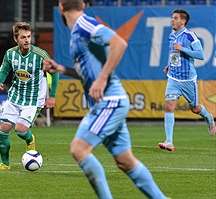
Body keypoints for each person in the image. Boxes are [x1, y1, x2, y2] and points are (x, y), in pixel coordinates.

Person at [43, 1, 169, 198]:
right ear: (83, 4)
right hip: (110, 102)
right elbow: (87, 72)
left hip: (109, 102)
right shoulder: (77, 31)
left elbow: (119, 43)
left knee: (79, 149)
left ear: (61, 7)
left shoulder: (84, 24)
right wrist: (61, 69)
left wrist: (102, 79)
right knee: (125, 161)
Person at [0, 22, 59, 171]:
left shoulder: (40, 55)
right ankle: (5, 164)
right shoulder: (10, 54)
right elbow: (4, 69)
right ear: (16, 39)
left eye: (29, 36)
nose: (27, 40)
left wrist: (52, 96)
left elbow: (54, 74)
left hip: (33, 99)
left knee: (20, 130)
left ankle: (30, 140)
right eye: (23, 37)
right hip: (15, 96)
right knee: (3, 129)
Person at [158, 9, 215, 152]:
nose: (172, 20)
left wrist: (183, 48)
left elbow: (201, 55)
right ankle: (169, 141)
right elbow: (174, 53)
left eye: (175, 18)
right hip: (173, 78)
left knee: (194, 108)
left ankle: (209, 118)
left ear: (183, 21)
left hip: (188, 79)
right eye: (172, 17)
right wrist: (169, 65)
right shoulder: (172, 36)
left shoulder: (190, 36)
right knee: (169, 106)